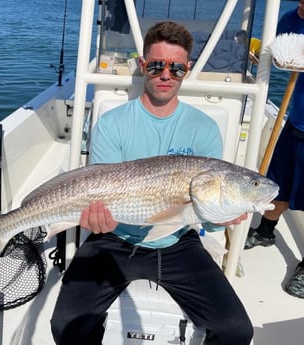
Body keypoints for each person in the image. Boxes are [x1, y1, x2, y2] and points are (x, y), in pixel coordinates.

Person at [51, 21, 253, 345]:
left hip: (178, 242)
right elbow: (99, 193)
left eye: (176, 69)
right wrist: (95, 222)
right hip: (113, 238)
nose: (165, 75)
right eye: (157, 65)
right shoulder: (112, 123)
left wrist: (221, 220)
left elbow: (209, 218)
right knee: (66, 326)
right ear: (144, 65)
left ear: (186, 70)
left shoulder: (203, 130)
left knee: (236, 330)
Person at [245, 0, 304, 299]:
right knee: (278, 184)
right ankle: (266, 232)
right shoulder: (290, 19)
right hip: (296, 121)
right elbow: (281, 52)